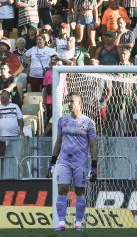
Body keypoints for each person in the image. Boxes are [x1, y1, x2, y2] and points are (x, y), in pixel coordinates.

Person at [47, 92, 98, 232]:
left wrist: (94, 166)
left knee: (79, 191)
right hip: (64, 161)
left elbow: (93, 145)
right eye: (68, 101)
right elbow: (58, 142)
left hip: (80, 163)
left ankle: (78, 223)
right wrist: (52, 162)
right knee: (62, 189)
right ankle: (62, 223)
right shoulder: (62, 120)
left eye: (72, 101)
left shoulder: (88, 123)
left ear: (80, 103)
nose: (69, 104)